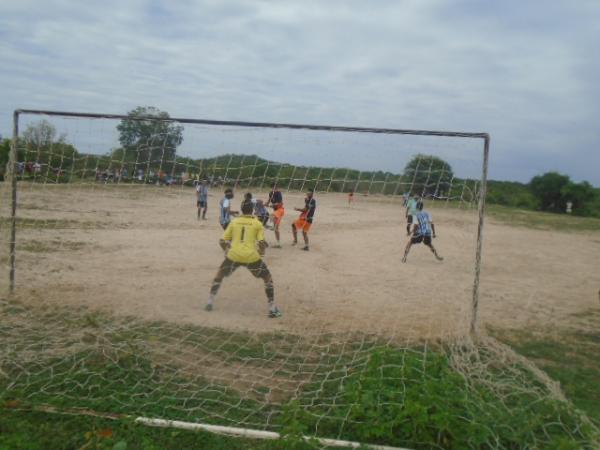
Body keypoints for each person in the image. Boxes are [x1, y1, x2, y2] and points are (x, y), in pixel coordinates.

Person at [206, 200, 281, 318]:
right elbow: (261, 243)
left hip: (234, 255)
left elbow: (222, 241)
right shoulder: (257, 223)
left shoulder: (234, 222)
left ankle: (210, 302)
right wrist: (262, 253)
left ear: (241, 209)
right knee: (267, 278)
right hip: (251, 257)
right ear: (252, 210)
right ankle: (272, 308)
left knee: (219, 275)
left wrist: (226, 251)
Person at [265, 183, 284, 248]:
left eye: (276, 188)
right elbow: (268, 201)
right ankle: (278, 244)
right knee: (276, 229)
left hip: (280, 210)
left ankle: (270, 226)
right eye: (273, 188)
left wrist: (271, 205)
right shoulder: (270, 193)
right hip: (276, 211)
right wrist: (265, 204)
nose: (275, 189)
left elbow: (280, 203)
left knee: (272, 215)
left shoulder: (278, 193)